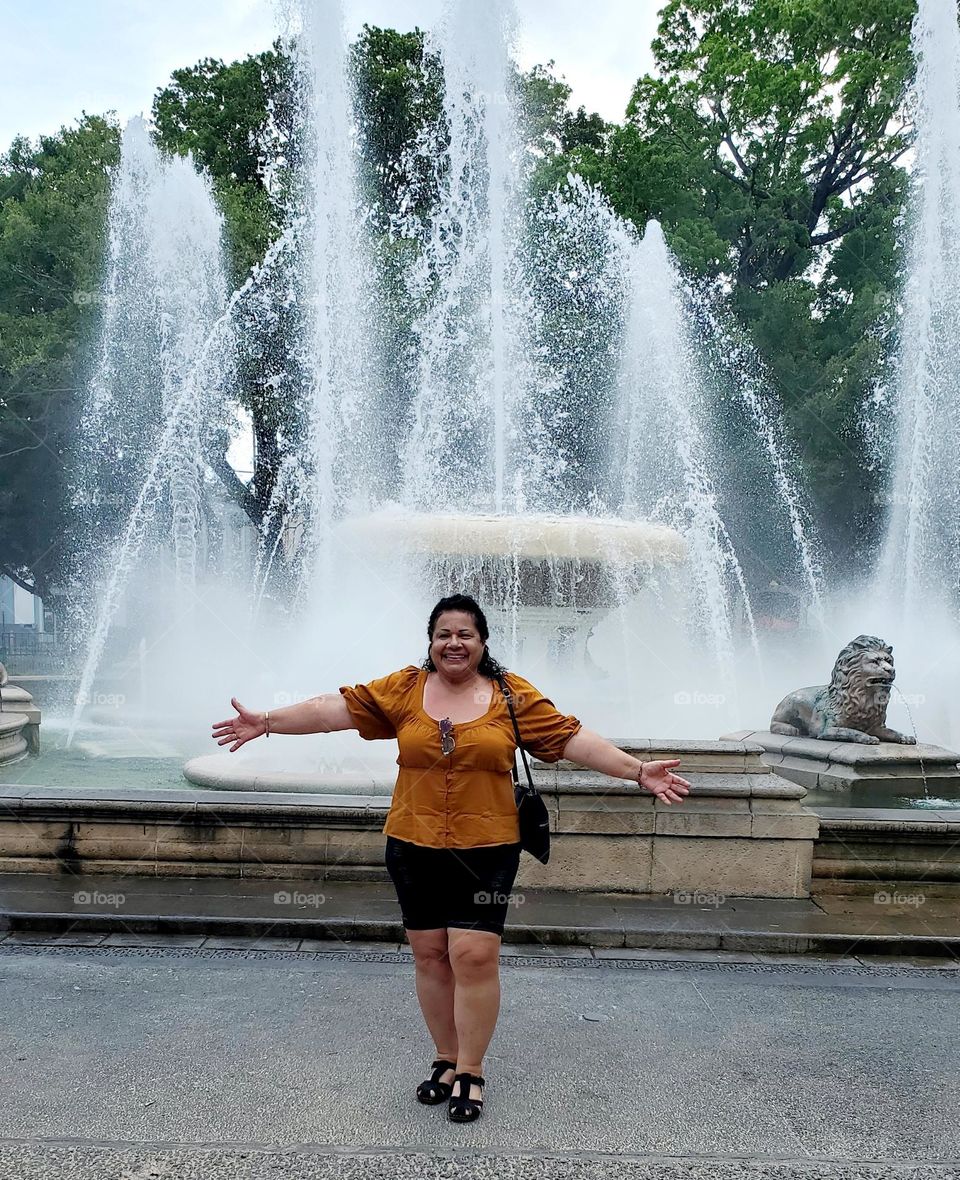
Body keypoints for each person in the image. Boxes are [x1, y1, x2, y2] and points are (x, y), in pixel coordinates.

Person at [212, 593, 690, 1123]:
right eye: (444, 634)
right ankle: (444, 1057)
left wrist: (636, 769)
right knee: (430, 955)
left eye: (465, 634)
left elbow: (570, 738)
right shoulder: (404, 689)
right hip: (413, 844)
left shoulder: (511, 695)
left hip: (486, 848)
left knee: (474, 956)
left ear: (483, 643)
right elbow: (334, 710)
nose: (453, 643)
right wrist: (269, 721)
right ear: (431, 643)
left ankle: (472, 1069)